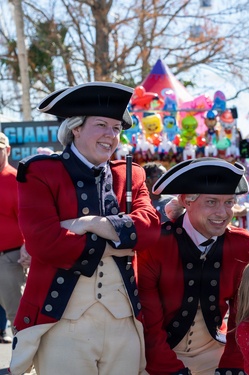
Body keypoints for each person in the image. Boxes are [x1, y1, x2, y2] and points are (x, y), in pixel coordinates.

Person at [10, 82, 161, 375]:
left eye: (116, 128)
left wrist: (91, 224)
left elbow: (151, 231)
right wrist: (120, 240)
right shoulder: (40, 171)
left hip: (124, 323)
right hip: (62, 323)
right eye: (101, 125)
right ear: (76, 128)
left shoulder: (131, 175)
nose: (111, 135)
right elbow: (45, 243)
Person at [137, 157, 249, 375]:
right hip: (156, 358)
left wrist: (232, 363)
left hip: (216, 355)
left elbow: (244, 313)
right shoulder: (155, 244)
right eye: (211, 202)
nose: (223, 213)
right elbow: (149, 322)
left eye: (229, 202)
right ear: (186, 201)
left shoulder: (242, 245)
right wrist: (168, 368)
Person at [0, 131, 27, 346]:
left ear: (7, 151)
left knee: (16, 314)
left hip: (9, 258)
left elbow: (28, 219)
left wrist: (28, 247)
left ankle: (22, 362)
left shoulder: (16, 180)